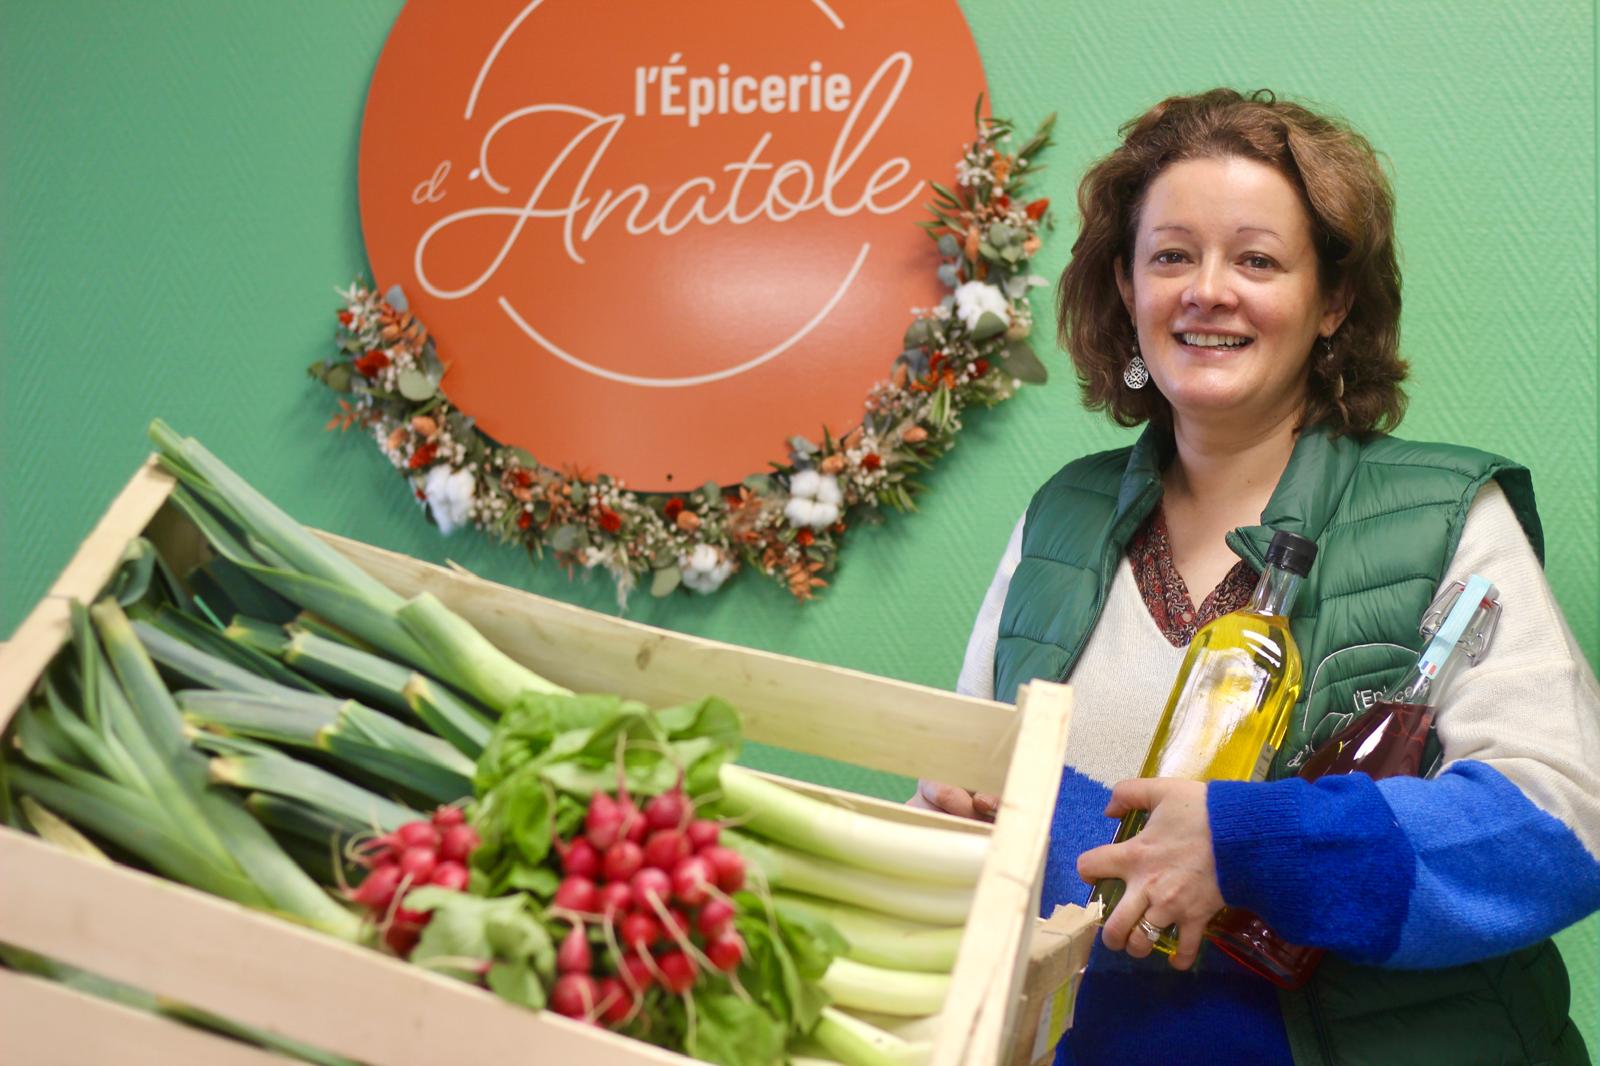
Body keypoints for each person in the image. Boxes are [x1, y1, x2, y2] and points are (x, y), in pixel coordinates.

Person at [912, 89, 1600, 1064]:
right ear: (1123, 285)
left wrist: (1251, 845)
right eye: (1170, 255)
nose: (1207, 289)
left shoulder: (1444, 513)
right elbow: (957, 793)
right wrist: (960, 830)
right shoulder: (1056, 517)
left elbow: (1561, 825)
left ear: (1332, 301)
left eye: (1257, 258)